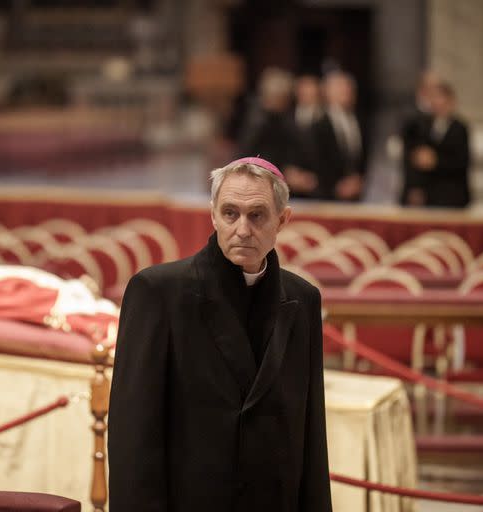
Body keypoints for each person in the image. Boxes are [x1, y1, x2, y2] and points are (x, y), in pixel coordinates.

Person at [108, 157, 332, 512]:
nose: (242, 228)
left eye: (257, 215)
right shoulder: (158, 292)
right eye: (230, 213)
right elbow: (132, 437)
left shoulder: (302, 300)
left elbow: (311, 437)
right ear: (213, 215)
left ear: (283, 220)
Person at [406, 82, 471, 208]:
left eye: (441, 98)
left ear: (451, 101)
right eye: (434, 98)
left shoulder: (460, 128)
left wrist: (436, 161)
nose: (437, 103)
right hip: (428, 196)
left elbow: (462, 161)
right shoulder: (421, 126)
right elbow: (413, 157)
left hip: (453, 196)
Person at [311, 71, 365, 201]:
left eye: (349, 87)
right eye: (340, 87)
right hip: (328, 196)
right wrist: (337, 186)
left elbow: (360, 157)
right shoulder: (318, 124)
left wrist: (358, 180)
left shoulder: (359, 121)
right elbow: (317, 160)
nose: (346, 91)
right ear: (327, 92)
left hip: (356, 195)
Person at [399, 71, 440, 205]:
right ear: (423, 89)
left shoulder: (441, 115)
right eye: (433, 88)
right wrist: (415, 188)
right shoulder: (410, 115)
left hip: (437, 189)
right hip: (416, 187)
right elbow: (408, 154)